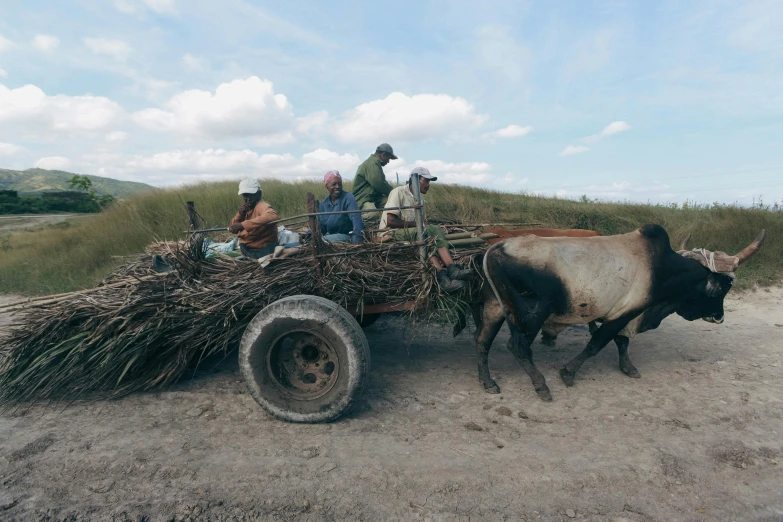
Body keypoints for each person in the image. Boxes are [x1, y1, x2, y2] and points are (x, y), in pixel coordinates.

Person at [380, 167, 472, 293]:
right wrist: (419, 225)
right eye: (426, 181)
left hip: (413, 233)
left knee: (429, 235)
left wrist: (438, 230)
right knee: (424, 232)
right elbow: (391, 221)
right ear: (416, 180)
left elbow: (425, 225)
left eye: (429, 182)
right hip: (390, 234)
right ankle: (448, 273)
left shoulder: (421, 200)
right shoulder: (398, 192)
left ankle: (448, 273)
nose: (428, 185)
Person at [228, 179, 280, 259]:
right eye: (245, 195)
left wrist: (243, 225)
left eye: (251, 195)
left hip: (262, 249)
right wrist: (240, 215)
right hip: (247, 248)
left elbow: (273, 216)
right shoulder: (246, 208)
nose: (248, 199)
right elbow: (233, 227)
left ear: (259, 194)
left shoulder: (262, 206)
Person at [352, 143, 397, 222]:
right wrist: (394, 192)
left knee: (395, 203)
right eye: (388, 158)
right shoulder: (372, 163)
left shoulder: (374, 163)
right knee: (373, 215)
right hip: (364, 199)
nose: (388, 161)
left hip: (375, 198)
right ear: (383, 155)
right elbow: (379, 183)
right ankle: (349, 221)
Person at [318, 170, 363, 244]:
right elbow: (322, 225)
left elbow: (356, 218)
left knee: (321, 241)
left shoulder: (348, 198)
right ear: (327, 186)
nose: (337, 187)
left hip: (346, 235)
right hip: (330, 235)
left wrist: (357, 239)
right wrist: (310, 234)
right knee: (309, 241)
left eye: (340, 184)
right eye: (334, 184)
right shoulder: (323, 204)